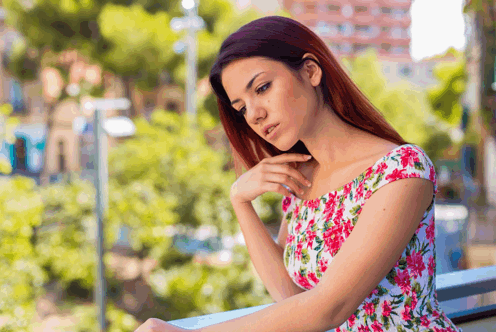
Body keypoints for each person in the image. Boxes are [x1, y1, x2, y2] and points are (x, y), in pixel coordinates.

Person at [135, 16, 462, 332]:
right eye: (242, 108)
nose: (255, 114)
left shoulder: (401, 170)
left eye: (262, 88)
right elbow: (290, 297)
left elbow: (328, 309)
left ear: (311, 71)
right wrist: (240, 201)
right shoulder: (302, 181)